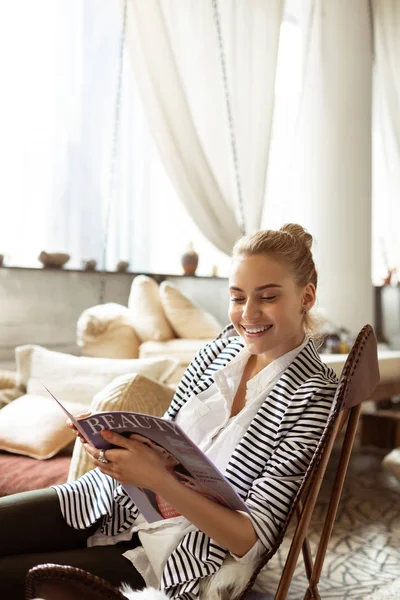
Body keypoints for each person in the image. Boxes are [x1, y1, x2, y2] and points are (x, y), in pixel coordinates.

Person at [0, 224, 338, 600]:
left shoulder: (313, 394)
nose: (248, 314)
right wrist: (118, 448)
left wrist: (159, 480)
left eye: (268, 297)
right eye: (238, 297)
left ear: (306, 296)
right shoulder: (219, 353)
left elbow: (249, 539)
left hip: (177, 553)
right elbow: (170, 433)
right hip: (112, 500)